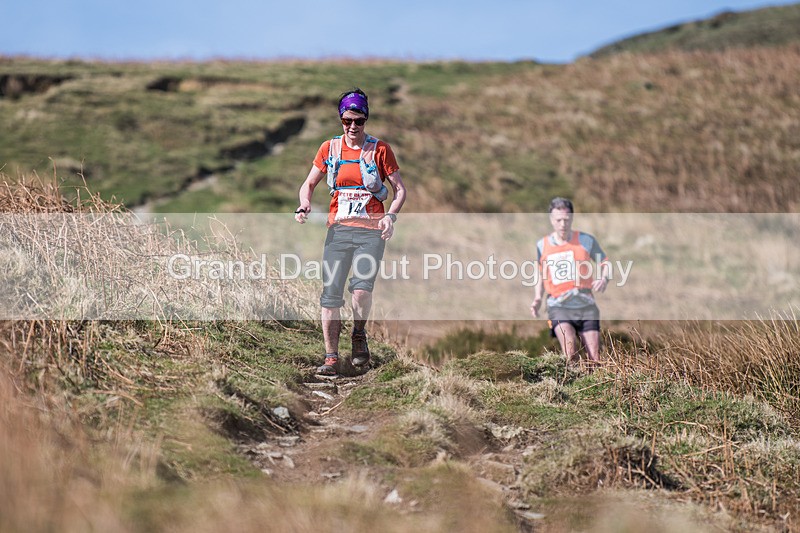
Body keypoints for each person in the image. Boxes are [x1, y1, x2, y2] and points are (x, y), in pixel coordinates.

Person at [294, 88, 406, 376]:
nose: (353, 127)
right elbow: (308, 184)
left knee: (359, 291)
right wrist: (304, 204)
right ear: (340, 120)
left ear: (366, 119)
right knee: (330, 295)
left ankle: (358, 334)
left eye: (358, 121)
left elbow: (400, 190)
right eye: (347, 121)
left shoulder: (380, 150)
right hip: (338, 231)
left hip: (371, 233)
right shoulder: (329, 149)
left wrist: (390, 217)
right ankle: (331, 358)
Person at [530, 197, 610, 368]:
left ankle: (592, 391)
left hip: (586, 305)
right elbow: (540, 273)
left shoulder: (586, 241)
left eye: (566, 219)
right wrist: (537, 298)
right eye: (558, 220)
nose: (562, 224)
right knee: (570, 351)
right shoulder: (542, 245)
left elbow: (605, 262)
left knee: (594, 359)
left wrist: (604, 278)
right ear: (551, 220)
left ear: (572, 218)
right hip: (558, 306)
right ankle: (570, 390)